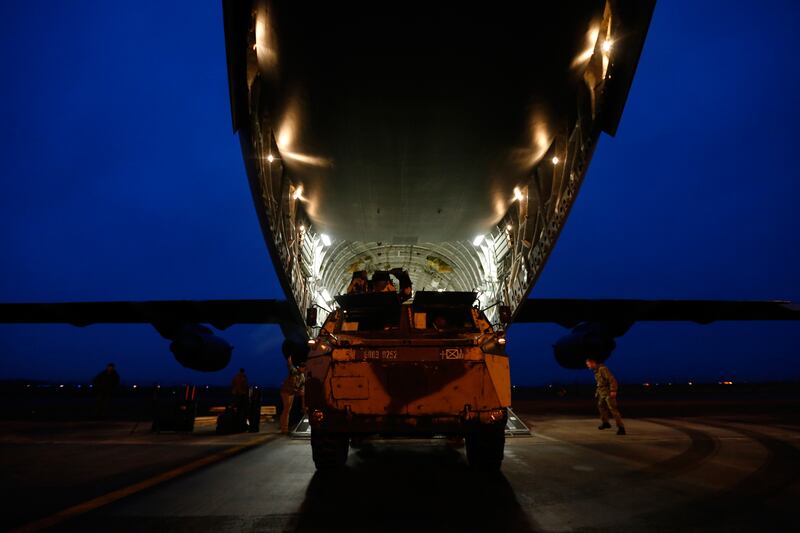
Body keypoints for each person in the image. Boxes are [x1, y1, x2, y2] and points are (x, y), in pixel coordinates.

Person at [585, 358, 626, 435]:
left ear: (593, 363)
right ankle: (606, 423)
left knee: (613, 409)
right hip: (602, 393)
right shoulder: (596, 371)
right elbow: (600, 384)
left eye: (588, 364)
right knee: (601, 406)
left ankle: (621, 428)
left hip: (608, 393)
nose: (588, 366)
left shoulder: (602, 369)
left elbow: (612, 380)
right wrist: (597, 393)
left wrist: (613, 390)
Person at [280, 356, 305, 434]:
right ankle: (284, 428)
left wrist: (301, 393)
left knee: (288, 410)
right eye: (302, 368)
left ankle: (285, 428)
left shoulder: (302, 376)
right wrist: (289, 360)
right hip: (286, 391)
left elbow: (302, 387)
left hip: (292, 393)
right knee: (286, 408)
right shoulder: (294, 371)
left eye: (304, 368)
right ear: (300, 367)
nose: (303, 369)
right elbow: (290, 366)